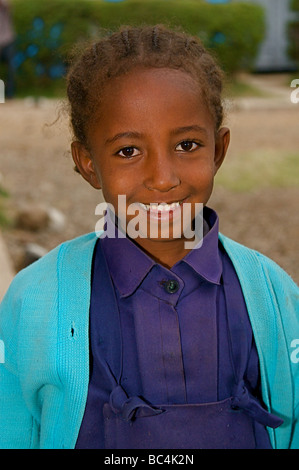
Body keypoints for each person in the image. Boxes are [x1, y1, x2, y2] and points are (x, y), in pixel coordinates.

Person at [0, 25, 298, 450]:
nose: (162, 178)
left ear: (218, 150)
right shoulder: (35, 300)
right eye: (128, 151)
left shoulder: (275, 296)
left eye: (187, 144)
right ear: (87, 163)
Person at [0, 0, 15, 99]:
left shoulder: (5, 6)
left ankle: (10, 95)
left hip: (7, 40)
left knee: (10, 69)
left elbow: (8, 4)